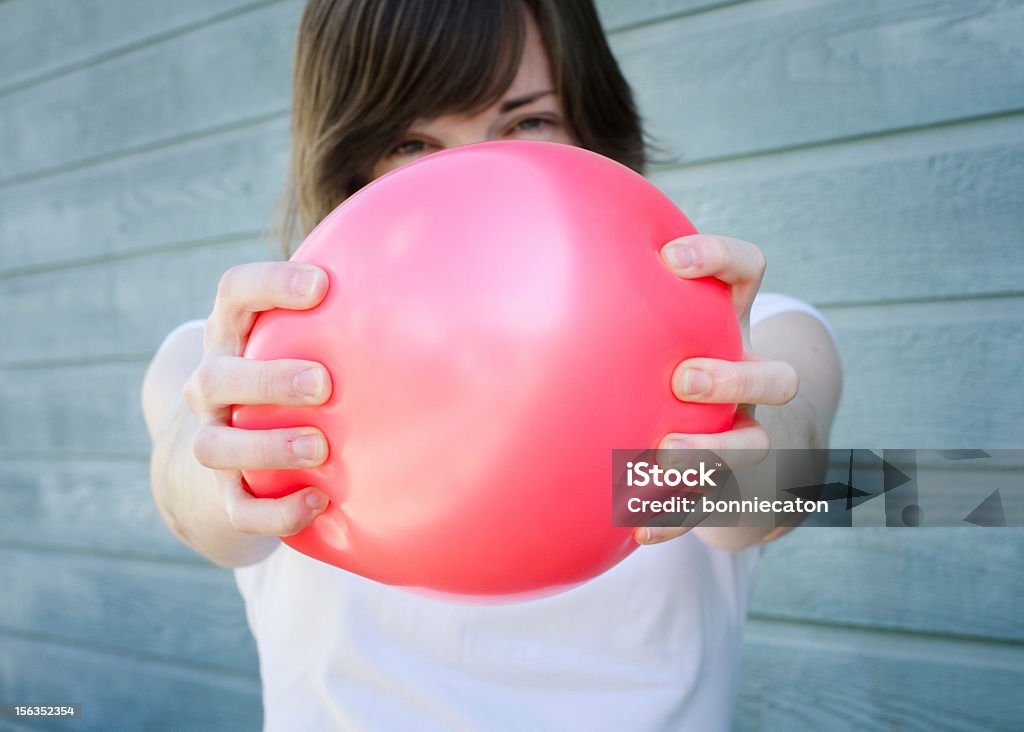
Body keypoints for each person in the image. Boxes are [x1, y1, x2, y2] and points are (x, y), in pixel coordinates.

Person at [142, 0, 842, 729]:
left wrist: (738, 446)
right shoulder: (226, 365)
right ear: (349, 161)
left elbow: (783, 484)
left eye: (527, 123)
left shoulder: (760, 338)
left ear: (592, 123)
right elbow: (191, 502)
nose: (473, 179)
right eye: (411, 142)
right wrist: (227, 456)